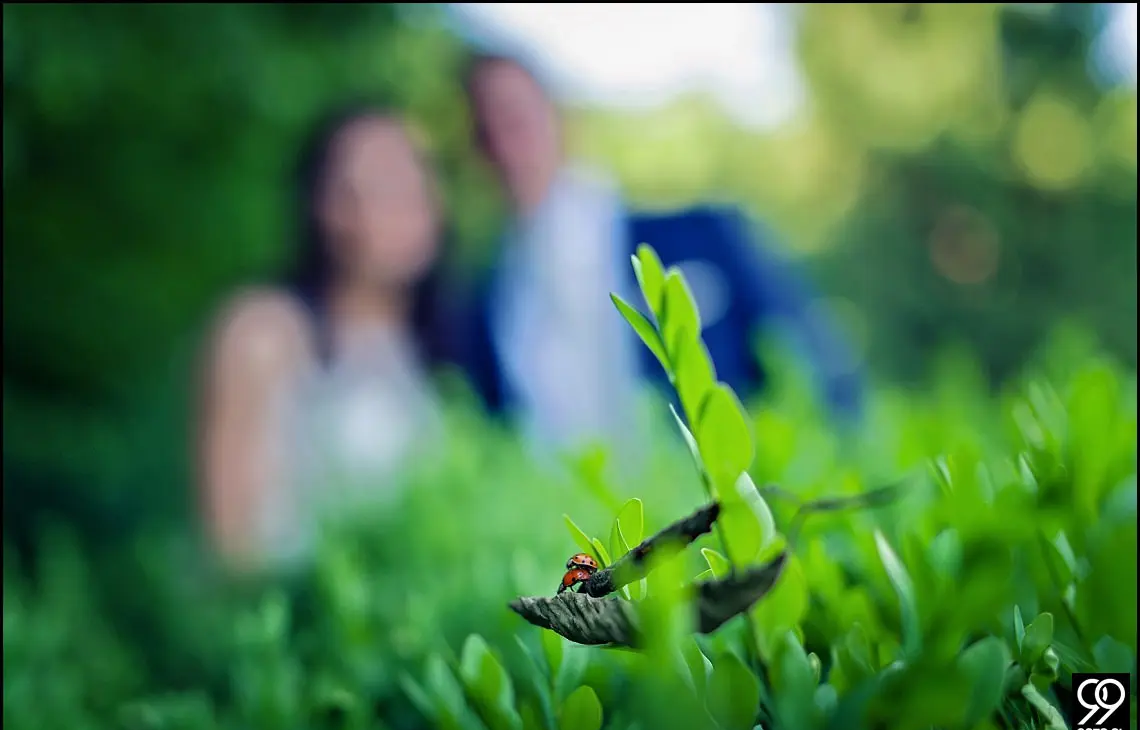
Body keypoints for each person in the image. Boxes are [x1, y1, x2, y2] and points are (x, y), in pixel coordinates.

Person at [451, 51, 863, 455]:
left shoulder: (702, 236)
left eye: (516, 119)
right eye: (487, 131)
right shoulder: (487, 307)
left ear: (560, 120)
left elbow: (812, 365)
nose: (508, 147)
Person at [196, 102, 448, 571]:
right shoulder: (262, 331)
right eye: (382, 183)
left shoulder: (434, 345)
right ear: (327, 207)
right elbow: (227, 548)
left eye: (418, 176)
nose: (411, 198)